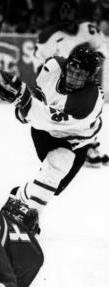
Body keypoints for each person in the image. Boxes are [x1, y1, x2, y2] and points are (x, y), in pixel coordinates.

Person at [0, 42, 104, 231]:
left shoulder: (89, 101)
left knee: (54, 188)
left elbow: (48, 119)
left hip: (75, 140)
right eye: (72, 68)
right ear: (67, 63)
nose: (73, 76)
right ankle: (28, 219)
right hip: (44, 133)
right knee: (60, 161)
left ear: (90, 77)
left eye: (80, 74)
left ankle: (19, 196)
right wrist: (20, 101)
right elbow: (39, 99)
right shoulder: (52, 66)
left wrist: (22, 100)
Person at [33, 0, 109, 168]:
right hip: (63, 84)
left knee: (88, 113)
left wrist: (90, 62)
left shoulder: (88, 29)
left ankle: (89, 145)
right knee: (66, 117)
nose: (66, 15)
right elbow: (39, 64)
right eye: (63, 11)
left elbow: (102, 48)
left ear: (76, 13)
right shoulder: (48, 36)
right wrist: (43, 87)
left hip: (85, 81)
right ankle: (80, 147)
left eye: (69, 11)